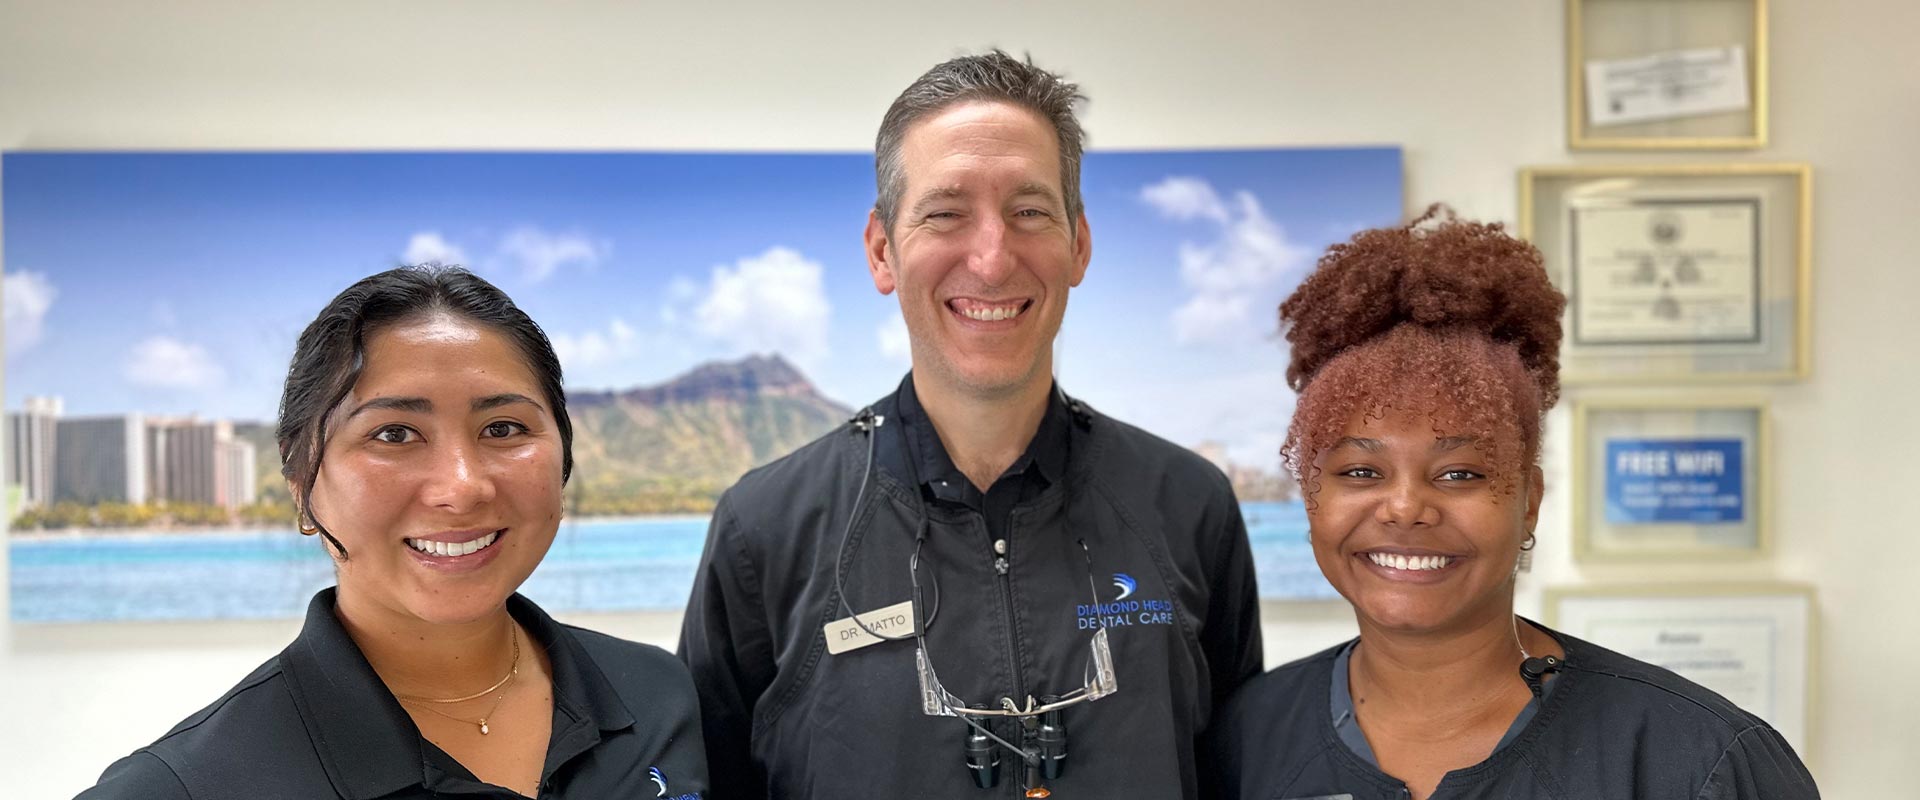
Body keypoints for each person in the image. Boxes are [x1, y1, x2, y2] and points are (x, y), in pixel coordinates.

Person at [678, 51, 1263, 798]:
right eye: (947, 213)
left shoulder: (1188, 504)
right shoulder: (763, 528)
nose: (991, 260)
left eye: (1029, 212)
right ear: (883, 249)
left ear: (1078, 244)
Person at [1205, 208, 1819, 799]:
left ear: (1529, 503)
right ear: (1312, 496)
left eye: (1459, 473)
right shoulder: (1245, 738)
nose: (1404, 507)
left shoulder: (1695, 759)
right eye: (1361, 470)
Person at [80, 267, 709, 799]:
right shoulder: (181, 786)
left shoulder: (657, 696)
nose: (462, 486)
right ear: (302, 479)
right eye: (394, 434)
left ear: (562, 457)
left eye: (503, 430)